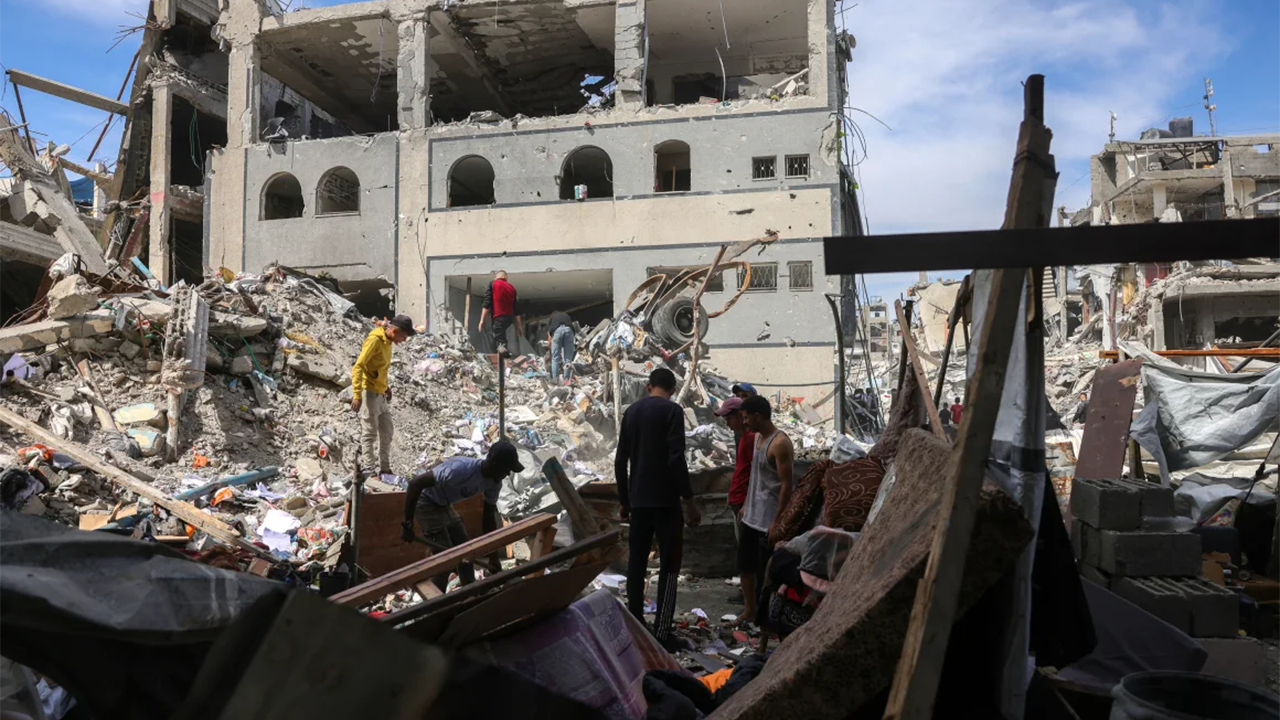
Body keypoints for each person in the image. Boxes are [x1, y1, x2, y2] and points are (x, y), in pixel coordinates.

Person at [616, 368, 702, 646]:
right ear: (673, 390)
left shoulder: (631, 413)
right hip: (666, 502)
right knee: (669, 566)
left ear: (648, 386)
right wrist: (689, 501)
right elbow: (676, 458)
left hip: (639, 502)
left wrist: (624, 500)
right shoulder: (673, 411)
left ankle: (635, 627)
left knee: (636, 564)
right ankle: (663, 632)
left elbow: (620, 460)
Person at [400, 439, 525, 591]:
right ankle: (433, 601)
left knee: (466, 551)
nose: (508, 474)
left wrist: (493, 557)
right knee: (444, 560)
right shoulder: (460, 469)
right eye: (507, 469)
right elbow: (415, 484)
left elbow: (488, 519)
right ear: (494, 464)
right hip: (426, 501)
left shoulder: (494, 483)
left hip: (443, 503)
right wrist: (408, 523)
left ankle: (470, 592)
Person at [739, 395, 795, 625]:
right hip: (751, 516)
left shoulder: (779, 443)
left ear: (758, 416)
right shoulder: (756, 438)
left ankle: (764, 619)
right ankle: (749, 611)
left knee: (766, 573)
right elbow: (757, 476)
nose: (744, 422)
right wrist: (746, 504)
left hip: (767, 519)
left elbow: (786, 485)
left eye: (746, 417)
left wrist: (777, 520)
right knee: (745, 567)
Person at [351, 314, 416, 477]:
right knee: (370, 433)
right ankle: (368, 469)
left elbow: (380, 368)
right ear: (395, 331)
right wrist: (357, 395)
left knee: (387, 431)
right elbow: (358, 366)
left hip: (381, 394)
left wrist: (386, 387)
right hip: (369, 393)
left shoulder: (388, 342)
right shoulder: (375, 340)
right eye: (403, 336)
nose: (404, 340)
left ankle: (385, 469)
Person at [717, 397, 758, 620]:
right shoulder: (743, 437)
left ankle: (751, 604)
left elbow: (756, 473)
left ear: (740, 416)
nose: (727, 423)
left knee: (747, 556)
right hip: (739, 501)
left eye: (729, 418)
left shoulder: (750, 438)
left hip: (744, 504)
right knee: (744, 553)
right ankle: (748, 599)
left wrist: (747, 502)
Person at [479, 271, 523, 357]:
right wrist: (519, 326)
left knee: (499, 340)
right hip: (509, 318)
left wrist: (482, 320)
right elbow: (516, 308)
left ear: (496, 277)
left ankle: (503, 357)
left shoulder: (493, 284)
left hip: (498, 317)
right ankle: (504, 355)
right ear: (506, 277)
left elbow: (487, 302)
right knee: (501, 337)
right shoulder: (512, 288)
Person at [547, 310, 576, 385]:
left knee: (555, 358)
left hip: (557, 331)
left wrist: (550, 349)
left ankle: (555, 380)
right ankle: (567, 379)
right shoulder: (565, 315)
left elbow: (549, 337)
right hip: (569, 330)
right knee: (568, 358)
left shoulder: (552, 318)